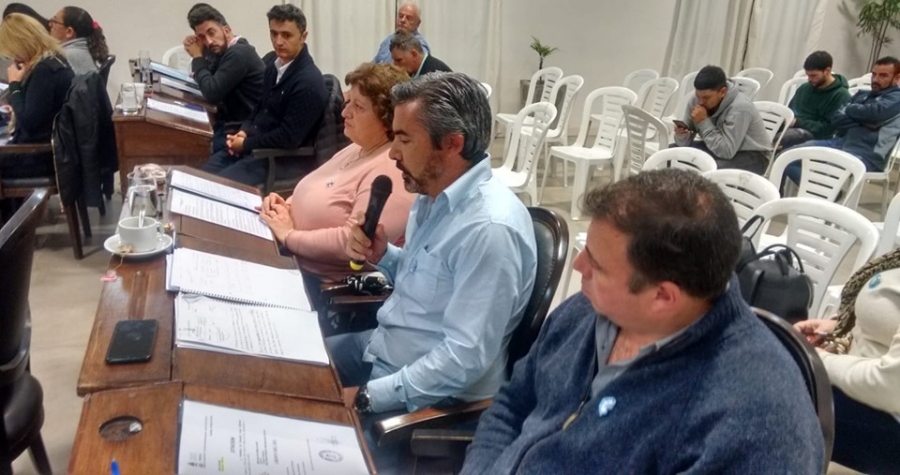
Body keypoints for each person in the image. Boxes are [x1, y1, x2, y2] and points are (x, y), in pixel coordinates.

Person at [461, 169, 825, 474]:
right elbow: (512, 405)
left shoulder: (753, 422)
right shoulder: (588, 311)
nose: (577, 266)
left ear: (663, 296)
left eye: (597, 265)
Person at [332, 72, 537, 429]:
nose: (393, 152)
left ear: (452, 144)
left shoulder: (489, 229)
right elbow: (431, 284)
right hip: (382, 350)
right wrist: (384, 256)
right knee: (284, 365)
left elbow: (464, 358)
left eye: (404, 139)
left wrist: (368, 397)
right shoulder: (433, 195)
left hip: (427, 404)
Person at [258, 63, 414, 284]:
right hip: (289, 256)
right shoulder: (357, 147)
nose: (345, 112)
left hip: (320, 283)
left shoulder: (393, 171)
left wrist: (290, 236)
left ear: (388, 119)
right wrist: (284, 206)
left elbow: (355, 242)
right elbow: (316, 187)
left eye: (358, 107)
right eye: (349, 101)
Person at [795, 248, 900, 474]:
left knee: (774, 397)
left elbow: (890, 387)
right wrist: (841, 328)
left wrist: (820, 359)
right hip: (866, 387)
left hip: (889, 416)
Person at [201, 4, 326, 186]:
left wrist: (245, 144)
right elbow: (259, 107)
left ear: (303, 36)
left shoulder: (309, 81)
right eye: (274, 34)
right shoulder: (273, 66)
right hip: (255, 147)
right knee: (198, 178)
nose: (278, 41)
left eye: (286, 35)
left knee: (214, 187)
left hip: (279, 159)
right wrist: (244, 131)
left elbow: (288, 138)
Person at [783, 56, 900, 185]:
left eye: (883, 76)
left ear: (897, 78)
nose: (876, 79)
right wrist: (864, 120)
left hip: (867, 155)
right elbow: (836, 119)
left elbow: (875, 113)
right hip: (840, 143)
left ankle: (821, 192)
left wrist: (851, 112)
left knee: (826, 171)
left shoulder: (897, 99)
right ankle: (821, 192)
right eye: (874, 74)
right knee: (787, 156)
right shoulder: (862, 94)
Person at [184, 4, 265, 153]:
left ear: (226, 30)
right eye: (202, 38)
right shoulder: (223, 52)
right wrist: (202, 53)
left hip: (243, 131)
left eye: (211, 33)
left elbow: (211, 92)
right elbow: (207, 78)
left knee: (192, 149)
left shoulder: (238, 53)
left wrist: (197, 56)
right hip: (232, 125)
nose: (209, 41)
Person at [0, 13, 73, 179]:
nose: (14, 58)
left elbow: (29, 123)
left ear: (22, 44)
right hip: (51, 151)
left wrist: (15, 85)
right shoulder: (56, 59)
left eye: (13, 52)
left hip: (38, 157)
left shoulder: (44, 71)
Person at [673, 65, 771, 174]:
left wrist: (703, 122)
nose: (700, 102)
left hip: (753, 155)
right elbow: (684, 144)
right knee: (671, 153)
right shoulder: (695, 100)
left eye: (706, 98)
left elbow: (726, 152)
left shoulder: (740, 107)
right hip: (719, 148)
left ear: (722, 92)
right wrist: (681, 135)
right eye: (698, 96)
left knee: (708, 169)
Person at [780, 51, 851, 149]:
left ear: (827, 71)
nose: (809, 79)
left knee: (787, 137)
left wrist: (797, 122)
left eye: (813, 75)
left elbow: (828, 129)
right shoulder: (804, 88)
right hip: (792, 127)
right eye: (808, 75)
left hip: (816, 137)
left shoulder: (841, 95)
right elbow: (790, 111)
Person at [47, 6, 109, 75]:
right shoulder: (86, 50)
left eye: (55, 22)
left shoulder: (62, 57)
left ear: (69, 32)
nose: (50, 25)